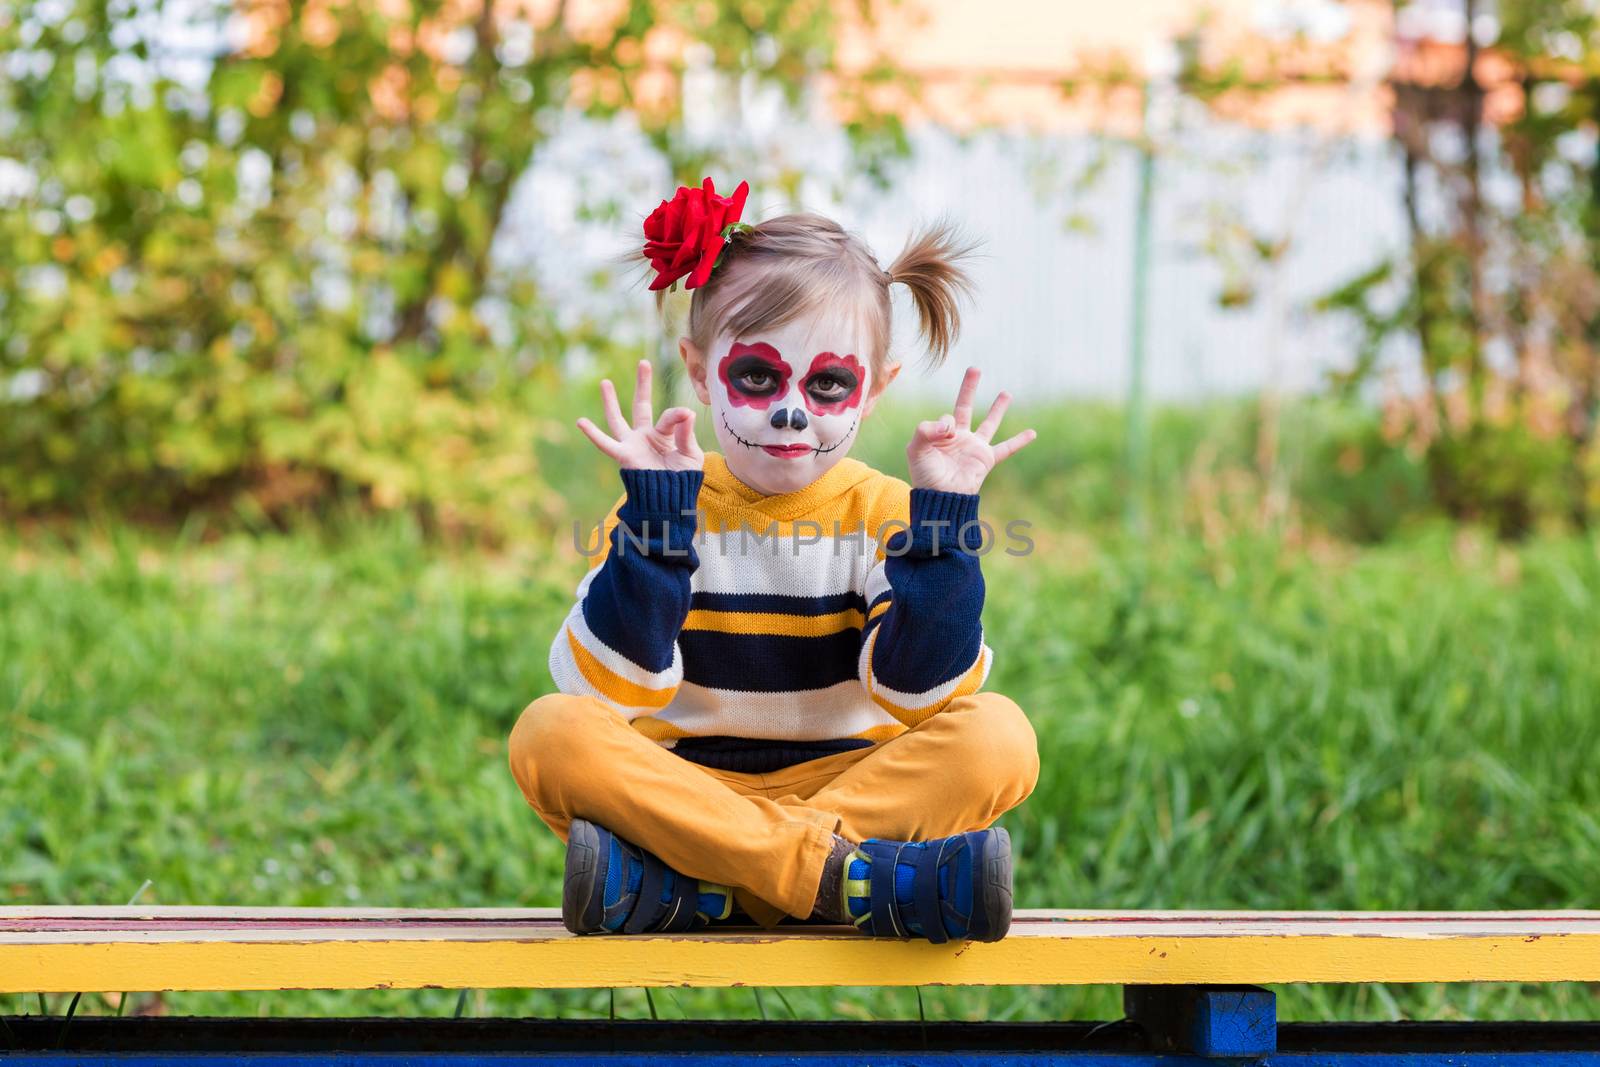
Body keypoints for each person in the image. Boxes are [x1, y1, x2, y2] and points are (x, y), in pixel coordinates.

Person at [508, 177, 1040, 943]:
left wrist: (943, 523)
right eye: (757, 377)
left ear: (875, 388)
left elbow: (920, 693)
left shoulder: (884, 511)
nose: (790, 411)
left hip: (847, 785)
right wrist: (658, 523)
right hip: (690, 786)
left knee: (998, 735)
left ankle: (708, 888)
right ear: (699, 368)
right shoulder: (667, 501)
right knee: (550, 731)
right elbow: (604, 687)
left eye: (828, 384)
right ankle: (852, 880)